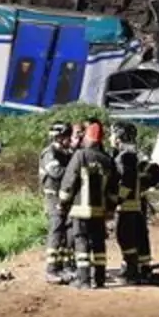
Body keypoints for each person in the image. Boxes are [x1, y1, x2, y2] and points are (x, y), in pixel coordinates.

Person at [58, 122, 118, 289]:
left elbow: (69, 182)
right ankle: (99, 279)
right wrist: (111, 209)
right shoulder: (108, 160)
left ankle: (83, 280)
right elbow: (114, 190)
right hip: (100, 211)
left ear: (87, 138)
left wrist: (62, 203)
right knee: (99, 243)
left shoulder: (80, 156)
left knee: (81, 242)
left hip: (80, 210)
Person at [109, 121, 154, 284]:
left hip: (126, 205)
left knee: (125, 237)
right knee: (140, 235)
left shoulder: (123, 156)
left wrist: (116, 199)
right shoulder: (138, 154)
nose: (110, 137)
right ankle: (144, 267)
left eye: (112, 134)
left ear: (119, 136)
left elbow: (126, 181)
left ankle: (131, 271)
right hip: (138, 202)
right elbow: (152, 174)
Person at [40, 122, 75, 284]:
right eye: (68, 137)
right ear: (59, 138)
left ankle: (64, 266)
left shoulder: (66, 153)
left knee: (66, 232)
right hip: (53, 197)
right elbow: (56, 172)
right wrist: (75, 173)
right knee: (56, 231)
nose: (70, 140)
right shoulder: (49, 153)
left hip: (64, 197)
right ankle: (51, 270)